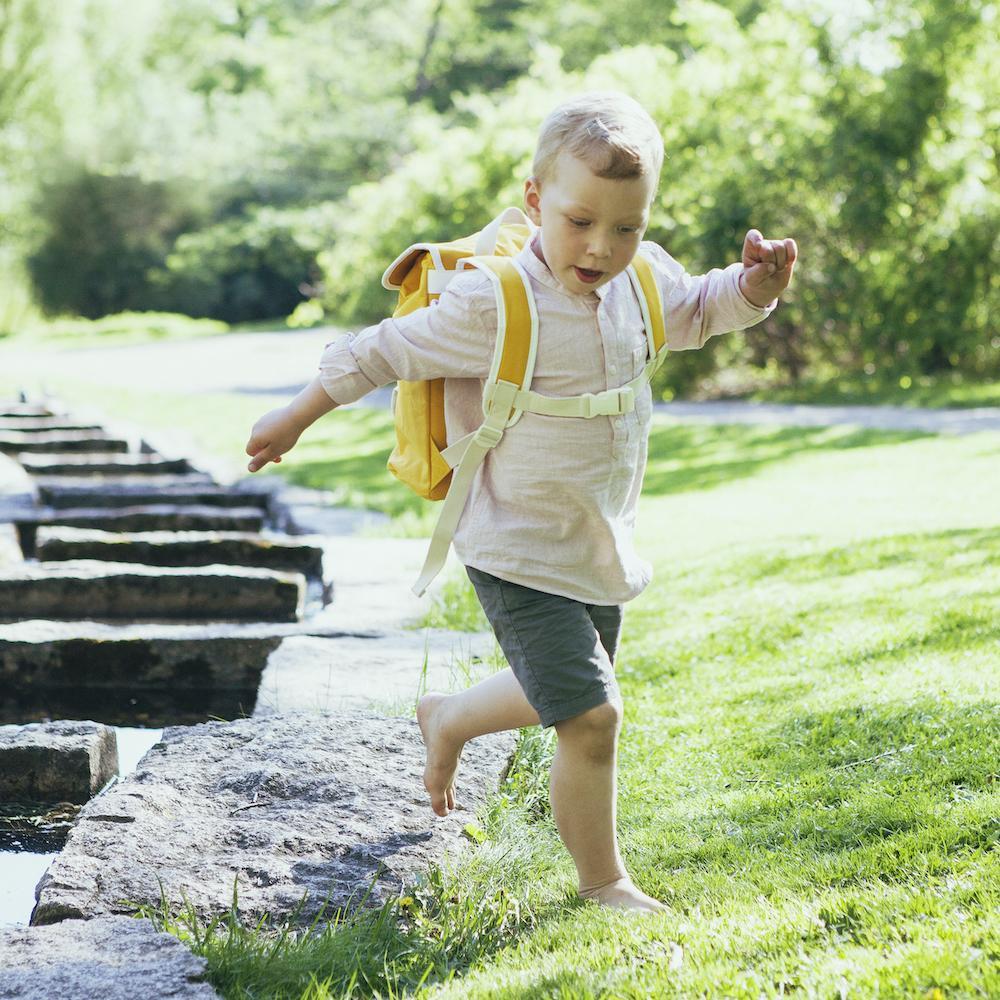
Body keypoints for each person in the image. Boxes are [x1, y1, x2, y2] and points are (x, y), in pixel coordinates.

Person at [245, 92, 797, 915]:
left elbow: (699, 310)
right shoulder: (492, 300)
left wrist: (754, 286)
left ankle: (452, 717)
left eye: (625, 228)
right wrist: (293, 417)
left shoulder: (643, 280)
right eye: (579, 221)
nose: (601, 247)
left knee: (563, 689)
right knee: (591, 716)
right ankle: (603, 884)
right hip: (510, 540)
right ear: (536, 201)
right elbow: (382, 351)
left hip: (594, 538)